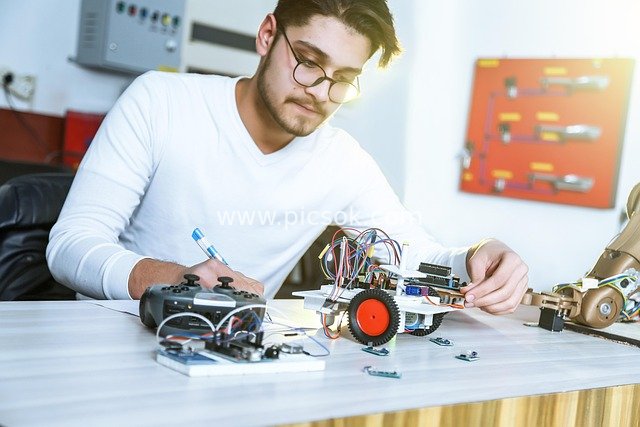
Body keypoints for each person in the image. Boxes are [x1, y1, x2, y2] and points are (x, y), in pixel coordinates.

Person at [47, 0, 529, 315]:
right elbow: (69, 246)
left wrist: (473, 258)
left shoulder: (341, 161)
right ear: (267, 35)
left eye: (343, 77)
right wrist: (176, 280)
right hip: (108, 340)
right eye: (308, 61)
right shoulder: (161, 101)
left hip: (228, 354)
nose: (321, 91)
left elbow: (411, 253)